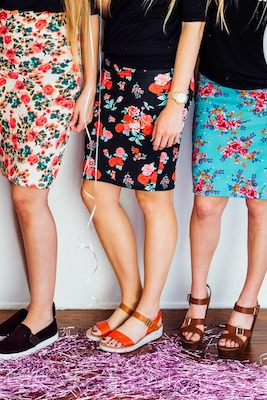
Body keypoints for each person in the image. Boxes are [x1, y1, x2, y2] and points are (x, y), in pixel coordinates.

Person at [179, 0, 267, 359]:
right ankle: (197, 298)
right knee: (206, 206)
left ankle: (248, 303)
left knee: (260, 205)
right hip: (215, 92)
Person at [0, 0, 99, 359]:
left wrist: (89, 87)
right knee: (19, 196)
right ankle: (37, 306)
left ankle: (42, 318)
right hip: (4, 74)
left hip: (51, 77)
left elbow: (88, 19)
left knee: (29, 198)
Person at [82, 0, 206, 353]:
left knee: (152, 198)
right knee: (95, 193)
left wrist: (176, 102)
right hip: (111, 79)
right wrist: (92, 84)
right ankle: (132, 300)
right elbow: (92, 16)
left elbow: (193, 27)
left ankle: (150, 309)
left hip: (159, 85)